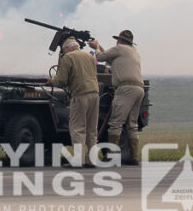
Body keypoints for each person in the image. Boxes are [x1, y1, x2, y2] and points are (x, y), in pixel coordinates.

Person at [91, 29, 143, 164]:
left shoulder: (119, 49)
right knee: (132, 125)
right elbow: (110, 59)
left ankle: (111, 155)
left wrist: (96, 47)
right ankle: (134, 157)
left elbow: (100, 57)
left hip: (125, 89)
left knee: (115, 123)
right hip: (139, 88)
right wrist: (100, 47)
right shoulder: (133, 52)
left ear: (120, 40)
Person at [47, 37, 100, 166]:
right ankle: (92, 160)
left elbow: (61, 80)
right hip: (95, 93)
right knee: (92, 129)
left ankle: (78, 160)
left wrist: (51, 81)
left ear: (67, 48)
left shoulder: (68, 58)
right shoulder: (88, 56)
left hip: (80, 94)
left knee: (77, 128)